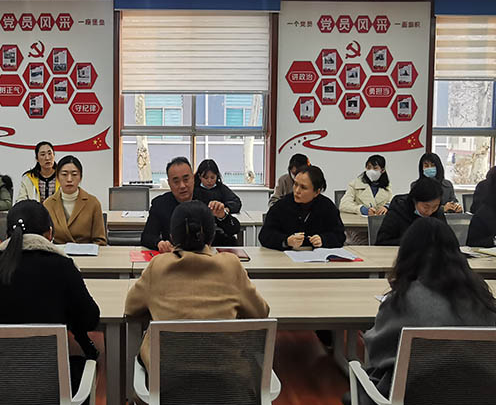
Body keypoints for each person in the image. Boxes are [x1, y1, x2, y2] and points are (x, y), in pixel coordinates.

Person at [355, 217, 496, 405]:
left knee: (362, 385)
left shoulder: (403, 300)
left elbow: (378, 356)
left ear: (407, 254)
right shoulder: (483, 300)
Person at [0, 200, 100, 371]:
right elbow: (90, 319)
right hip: (47, 379)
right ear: (49, 233)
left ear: (7, 234)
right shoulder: (63, 266)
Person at [125, 201, 269, 372]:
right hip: (227, 378)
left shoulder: (158, 266)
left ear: (172, 236)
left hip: (167, 378)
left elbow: (131, 309)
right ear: (212, 235)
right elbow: (261, 312)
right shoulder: (231, 265)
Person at [140, 157, 240, 251]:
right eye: (176, 181)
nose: (182, 186)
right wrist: (159, 243)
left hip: (205, 257)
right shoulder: (160, 204)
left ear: (193, 178)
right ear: (169, 183)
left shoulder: (208, 199)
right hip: (174, 256)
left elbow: (235, 229)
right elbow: (147, 236)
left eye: (186, 179)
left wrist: (223, 216)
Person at [259, 166, 347, 250]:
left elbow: (339, 236)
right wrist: (286, 241)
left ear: (317, 192)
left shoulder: (327, 207)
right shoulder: (281, 206)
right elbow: (265, 235)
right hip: (286, 257)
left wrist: (323, 240)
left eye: (303, 187)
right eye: (295, 184)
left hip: (317, 257)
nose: (297, 191)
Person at [43, 155, 106, 245]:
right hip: (57, 252)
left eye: (74, 174)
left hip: (86, 252)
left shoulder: (93, 203)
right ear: (57, 177)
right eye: (64, 174)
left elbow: (100, 241)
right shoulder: (48, 204)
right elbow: (44, 240)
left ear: (80, 177)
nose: (69, 179)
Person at [376, 176, 447, 246]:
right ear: (415, 200)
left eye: (434, 207)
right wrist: (412, 241)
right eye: (426, 207)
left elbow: (447, 240)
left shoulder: (438, 213)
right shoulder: (397, 211)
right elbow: (381, 242)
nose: (430, 211)